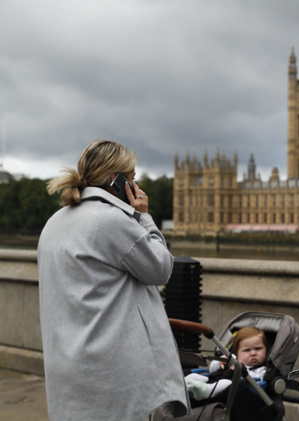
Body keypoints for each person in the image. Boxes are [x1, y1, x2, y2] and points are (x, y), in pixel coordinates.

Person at [38, 140, 190, 421]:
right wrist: (144, 218)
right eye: (132, 179)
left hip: (69, 364)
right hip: (112, 370)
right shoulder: (111, 221)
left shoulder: (54, 223)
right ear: (115, 181)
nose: (136, 187)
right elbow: (161, 268)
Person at [185, 326, 268, 402]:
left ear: (266, 350)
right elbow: (212, 369)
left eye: (258, 348)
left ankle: (205, 391)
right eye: (247, 350)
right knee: (195, 376)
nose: (253, 353)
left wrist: (241, 373)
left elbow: (257, 384)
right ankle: (183, 385)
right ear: (237, 353)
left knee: (226, 383)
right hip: (214, 378)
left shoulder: (262, 370)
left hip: (235, 391)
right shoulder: (232, 358)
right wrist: (219, 362)